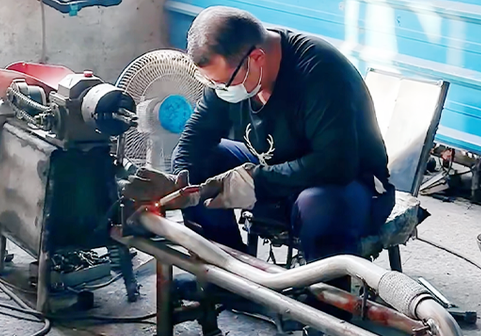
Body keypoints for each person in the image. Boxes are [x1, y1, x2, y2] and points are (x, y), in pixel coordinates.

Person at [123, 6, 395, 263]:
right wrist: (178, 180)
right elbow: (197, 135)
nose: (220, 90)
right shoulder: (231, 72)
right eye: (212, 83)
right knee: (201, 167)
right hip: (277, 169)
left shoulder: (321, 72)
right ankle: (228, 271)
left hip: (350, 184)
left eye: (224, 83)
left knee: (318, 205)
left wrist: (253, 181)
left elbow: (335, 165)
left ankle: (324, 301)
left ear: (256, 59)